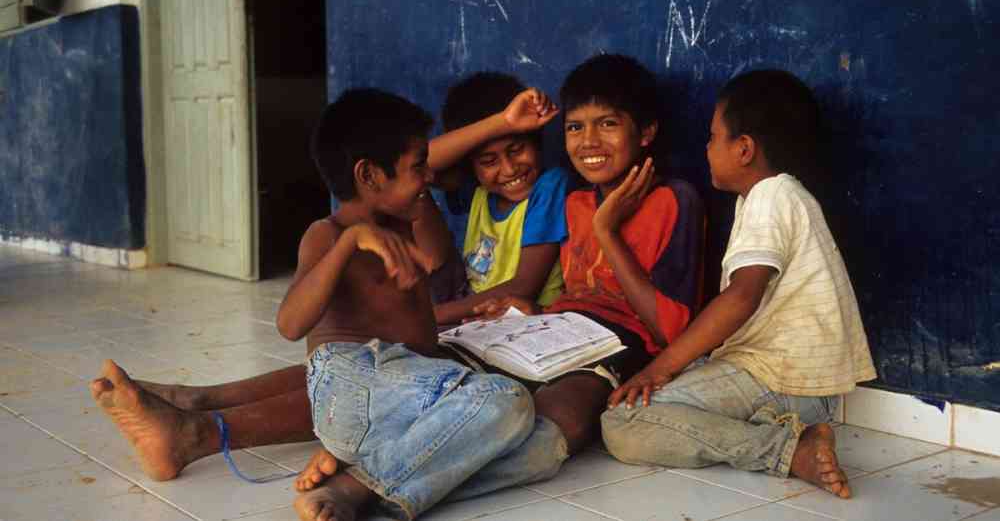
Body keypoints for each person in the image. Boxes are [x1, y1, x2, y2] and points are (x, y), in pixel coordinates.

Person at [87, 77, 565, 485]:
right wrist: (348, 243)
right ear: (370, 175)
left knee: (528, 435)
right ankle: (193, 432)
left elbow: (427, 162)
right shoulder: (329, 234)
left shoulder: (405, 217)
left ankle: (195, 407)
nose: (428, 177)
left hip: (392, 387)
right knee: (501, 403)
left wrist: (506, 120)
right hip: (357, 389)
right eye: (418, 168)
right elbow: (291, 325)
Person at [600, 69, 877, 499]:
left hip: (778, 380)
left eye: (713, 137)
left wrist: (661, 368)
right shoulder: (776, 196)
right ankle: (786, 426)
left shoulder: (770, 196)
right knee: (663, 382)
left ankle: (784, 449)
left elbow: (742, 297)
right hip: (799, 389)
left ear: (744, 148)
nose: (707, 148)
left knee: (623, 422)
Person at [471, 53, 705, 458]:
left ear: (646, 131)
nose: (589, 142)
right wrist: (534, 310)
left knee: (561, 416)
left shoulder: (674, 199)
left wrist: (606, 230)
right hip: (559, 329)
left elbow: (669, 333)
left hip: (626, 343)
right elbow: (581, 293)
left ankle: (430, 479)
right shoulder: (575, 200)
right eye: (575, 127)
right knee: (454, 372)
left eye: (608, 124)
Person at [427, 72, 569, 325]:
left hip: (525, 322)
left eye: (516, 150)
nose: (509, 169)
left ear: (536, 142)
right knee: (413, 194)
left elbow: (524, 286)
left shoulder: (549, 186)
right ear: (471, 165)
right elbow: (421, 166)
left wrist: (433, 317)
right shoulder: (478, 189)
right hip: (474, 314)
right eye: (489, 161)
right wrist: (503, 122)